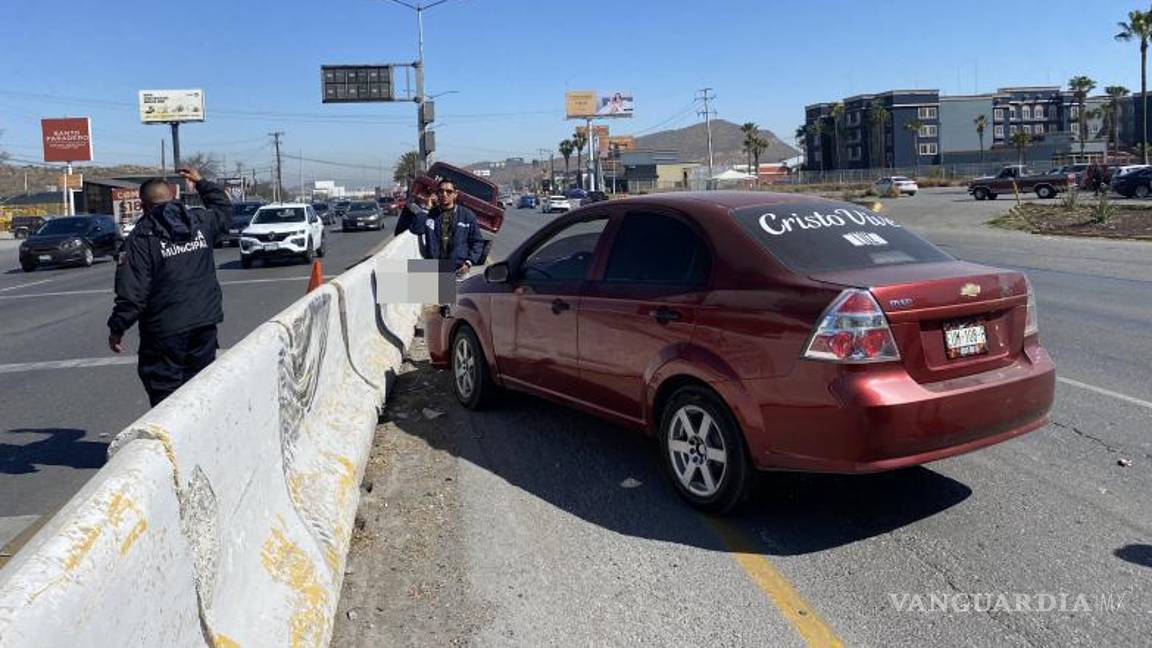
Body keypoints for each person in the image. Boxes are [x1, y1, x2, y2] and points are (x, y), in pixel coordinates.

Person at [107, 168, 232, 406]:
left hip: (165, 330)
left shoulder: (141, 238)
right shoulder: (199, 221)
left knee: (165, 393)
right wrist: (202, 183)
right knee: (202, 387)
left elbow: (133, 293)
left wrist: (117, 328)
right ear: (173, 198)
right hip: (204, 322)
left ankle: (174, 441)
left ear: (143, 206)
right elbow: (224, 211)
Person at [407, 178, 485, 277]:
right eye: (441, 191)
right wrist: (427, 208)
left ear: (455, 194)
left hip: (458, 270)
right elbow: (416, 229)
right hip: (434, 269)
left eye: (448, 191)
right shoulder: (430, 214)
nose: (444, 194)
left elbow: (477, 242)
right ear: (437, 194)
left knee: (455, 292)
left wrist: (468, 263)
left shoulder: (467, 215)